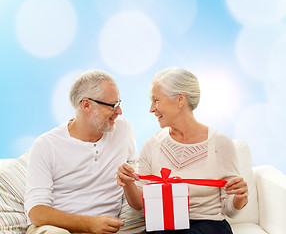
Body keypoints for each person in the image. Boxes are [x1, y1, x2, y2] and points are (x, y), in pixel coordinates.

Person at [117, 67, 248, 234]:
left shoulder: (221, 144)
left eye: (156, 100)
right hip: (165, 225)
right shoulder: (152, 145)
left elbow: (230, 210)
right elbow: (140, 205)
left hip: (209, 226)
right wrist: (128, 183)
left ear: (180, 100)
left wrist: (239, 198)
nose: (151, 108)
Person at [25, 70, 138, 234]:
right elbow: (36, 212)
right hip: (56, 228)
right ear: (86, 105)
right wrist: (90, 224)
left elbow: (136, 181)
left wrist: (129, 179)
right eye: (113, 105)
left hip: (105, 229)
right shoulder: (46, 144)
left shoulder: (123, 129)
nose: (119, 111)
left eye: (119, 103)